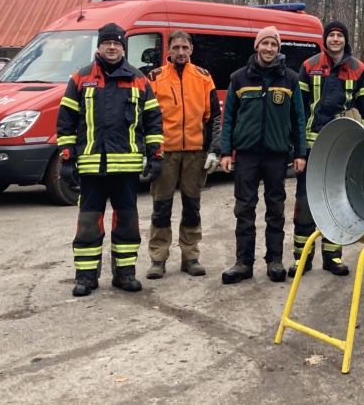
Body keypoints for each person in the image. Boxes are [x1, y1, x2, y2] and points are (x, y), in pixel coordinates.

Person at [57, 23, 164, 297]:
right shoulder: (80, 79)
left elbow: (153, 121)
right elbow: (66, 123)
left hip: (127, 170)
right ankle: (85, 277)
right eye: (107, 43)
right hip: (91, 169)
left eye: (116, 43)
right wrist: (67, 159)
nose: (112, 47)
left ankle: (125, 274)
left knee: (127, 224)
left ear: (123, 48)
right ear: (99, 47)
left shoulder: (139, 80)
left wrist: (155, 154)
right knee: (89, 225)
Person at [219, 26, 307, 284]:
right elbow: (228, 120)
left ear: (278, 49)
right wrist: (225, 152)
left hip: (277, 156)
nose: (269, 48)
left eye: (274, 45)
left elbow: (298, 118)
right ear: (257, 46)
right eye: (265, 43)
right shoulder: (239, 78)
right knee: (244, 209)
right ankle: (243, 263)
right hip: (246, 155)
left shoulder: (290, 79)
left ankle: (275, 261)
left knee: (275, 209)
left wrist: (299, 153)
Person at [290, 20, 364, 277]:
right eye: (331, 35)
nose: (335, 39)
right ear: (325, 40)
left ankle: (332, 257)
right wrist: (299, 151)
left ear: (345, 40)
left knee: (336, 202)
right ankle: (301, 258)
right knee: (304, 204)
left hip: (341, 149)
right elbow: (298, 111)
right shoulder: (309, 66)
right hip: (313, 147)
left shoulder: (358, 69)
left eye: (340, 35)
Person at [145, 30, 221, 279]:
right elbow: (145, 117)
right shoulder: (154, 78)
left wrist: (215, 150)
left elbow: (214, 118)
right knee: (161, 207)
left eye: (185, 48)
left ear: (191, 50)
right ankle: (158, 258)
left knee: (192, 206)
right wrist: (148, 151)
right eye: (176, 47)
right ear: (168, 50)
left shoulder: (203, 77)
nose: (180, 52)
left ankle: (191, 256)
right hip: (164, 153)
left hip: (195, 154)